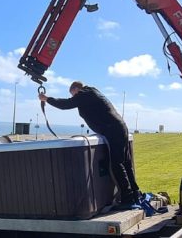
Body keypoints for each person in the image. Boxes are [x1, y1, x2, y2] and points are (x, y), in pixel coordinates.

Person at [40, 81, 141, 209]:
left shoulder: (84, 94)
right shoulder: (92, 92)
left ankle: (128, 198)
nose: (73, 97)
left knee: (117, 164)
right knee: (125, 162)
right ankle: (135, 194)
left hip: (113, 130)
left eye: (73, 94)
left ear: (76, 89)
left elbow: (66, 104)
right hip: (119, 128)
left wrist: (46, 99)